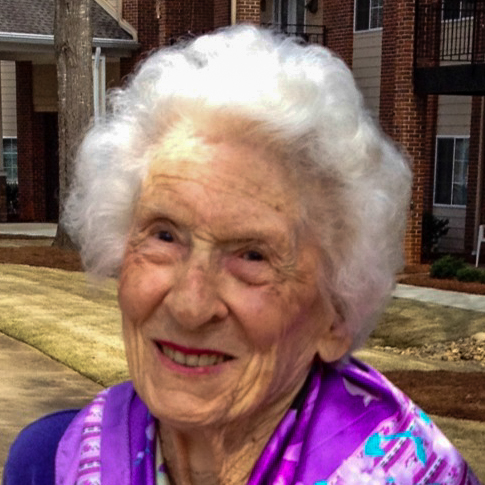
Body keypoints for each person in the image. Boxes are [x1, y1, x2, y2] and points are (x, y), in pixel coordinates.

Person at [3, 25, 480, 485]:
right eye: (165, 236)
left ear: (335, 317)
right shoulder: (47, 463)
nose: (190, 306)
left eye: (252, 255)